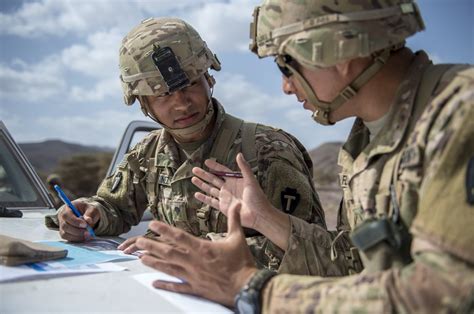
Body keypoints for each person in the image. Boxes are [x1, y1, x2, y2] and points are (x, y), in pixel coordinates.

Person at [134, 1, 474, 312]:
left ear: (335, 53)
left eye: (286, 65)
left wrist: (252, 289)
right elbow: (354, 266)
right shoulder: (364, 142)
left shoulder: (461, 117)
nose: (286, 86)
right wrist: (265, 218)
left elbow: (444, 294)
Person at [45, 17, 329, 271]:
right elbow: (114, 207)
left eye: (190, 84)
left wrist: (198, 252)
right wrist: (88, 215)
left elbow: (314, 251)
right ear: (143, 103)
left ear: (208, 77)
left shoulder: (268, 151)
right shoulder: (146, 155)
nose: (181, 104)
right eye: (163, 95)